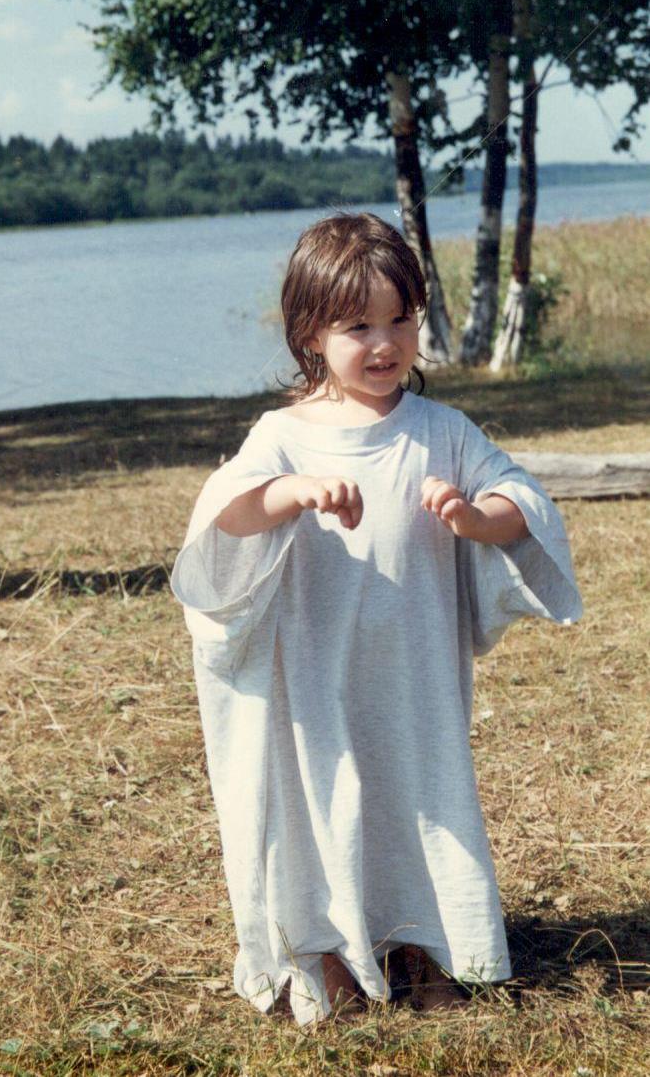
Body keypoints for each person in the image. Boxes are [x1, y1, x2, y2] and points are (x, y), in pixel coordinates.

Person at [170, 212, 582, 1025]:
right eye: (359, 326)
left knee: (416, 796)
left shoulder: (439, 431)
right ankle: (327, 956)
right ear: (310, 332)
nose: (386, 342)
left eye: (401, 319)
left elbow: (523, 499)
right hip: (314, 678)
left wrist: (475, 516)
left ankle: (426, 946)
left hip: (413, 670)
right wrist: (292, 493)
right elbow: (227, 514)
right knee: (320, 805)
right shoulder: (283, 436)